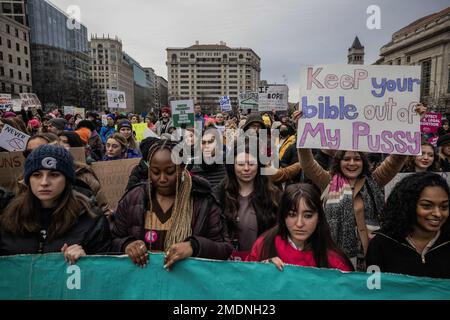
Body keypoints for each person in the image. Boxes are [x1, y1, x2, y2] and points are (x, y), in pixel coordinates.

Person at [111, 139, 232, 269]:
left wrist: (194, 246)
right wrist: (126, 245)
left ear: (182, 168)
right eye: (155, 172)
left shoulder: (202, 201)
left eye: (170, 172)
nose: (162, 179)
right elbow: (112, 239)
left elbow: (224, 248)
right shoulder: (133, 199)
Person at [0, 145, 111, 263]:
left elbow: (104, 271)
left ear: (67, 179)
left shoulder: (91, 219)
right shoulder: (8, 216)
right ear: (28, 179)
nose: (44, 182)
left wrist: (87, 260)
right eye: (37, 175)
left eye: (54, 175)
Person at [246, 183, 353, 272]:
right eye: (292, 215)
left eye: (308, 216)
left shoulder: (335, 261)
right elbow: (245, 282)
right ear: (283, 216)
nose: (299, 223)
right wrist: (260, 270)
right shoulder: (264, 245)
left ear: (319, 217)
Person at [366, 172, 450, 279]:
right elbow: (373, 288)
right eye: (427, 206)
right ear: (408, 205)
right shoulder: (381, 244)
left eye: (444, 207)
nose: (438, 214)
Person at [213, 141, 281, 260]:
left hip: (262, 263)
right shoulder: (219, 195)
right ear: (232, 166)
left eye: (251, 164)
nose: (246, 169)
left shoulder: (273, 196)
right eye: (240, 164)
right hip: (227, 264)